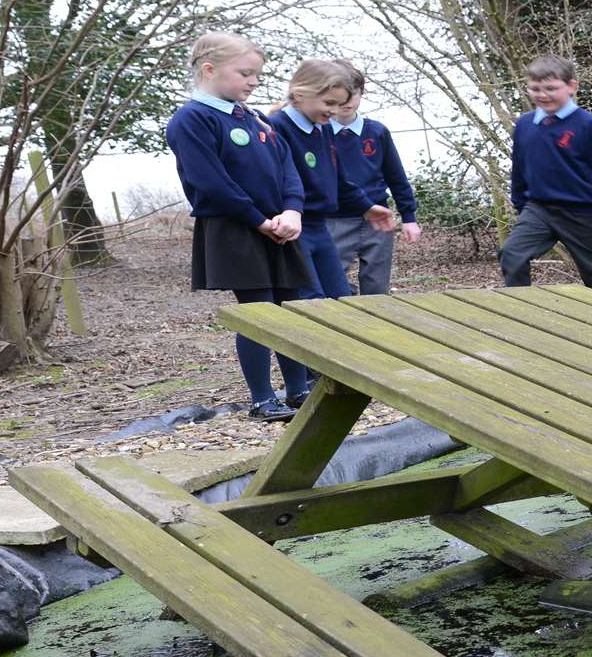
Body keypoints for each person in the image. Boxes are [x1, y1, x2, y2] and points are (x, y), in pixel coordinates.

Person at [164, 32, 312, 423]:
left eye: (257, 75)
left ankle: (298, 389)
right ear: (209, 69)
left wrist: (292, 212)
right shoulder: (192, 119)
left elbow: (288, 169)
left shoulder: (255, 117)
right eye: (245, 73)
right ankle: (262, 399)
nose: (253, 82)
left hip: (279, 227)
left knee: (290, 309)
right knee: (259, 311)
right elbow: (210, 182)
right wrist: (258, 220)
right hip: (236, 230)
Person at [498, 54, 592, 299]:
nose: (542, 95)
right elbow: (519, 168)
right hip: (539, 209)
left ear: (571, 86)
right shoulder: (525, 125)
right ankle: (522, 311)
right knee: (512, 254)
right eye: (535, 89)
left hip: (582, 212)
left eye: (551, 88)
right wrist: (520, 205)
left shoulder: (589, 126)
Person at [267, 60, 397, 299]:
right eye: (329, 103)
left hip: (320, 228)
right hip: (294, 230)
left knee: (339, 298)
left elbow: (338, 179)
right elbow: (275, 183)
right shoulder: (276, 128)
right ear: (300, 93)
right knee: (309, 301)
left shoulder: (322, 128)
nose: (335, 111)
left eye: (339, 105)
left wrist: (366, 207)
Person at [328, 66, 421, 296]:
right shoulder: (319, 132)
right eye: (340, 95)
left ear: (362, 92)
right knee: (333, 282)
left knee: (377, 284)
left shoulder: (377, 132)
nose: (347, 101)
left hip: (378, 220)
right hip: (335, 219)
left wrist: (409, 217)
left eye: (354, 93)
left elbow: (396, 177)